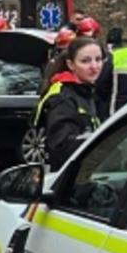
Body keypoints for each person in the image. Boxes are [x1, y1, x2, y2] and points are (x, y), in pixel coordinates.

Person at [38, 36, 105, 168]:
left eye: (98, 59)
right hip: (69, 175)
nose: (94, 66)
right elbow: (62, 146)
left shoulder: (85, 91)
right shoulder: (62, 97)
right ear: (70, 64)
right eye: (85, 61)